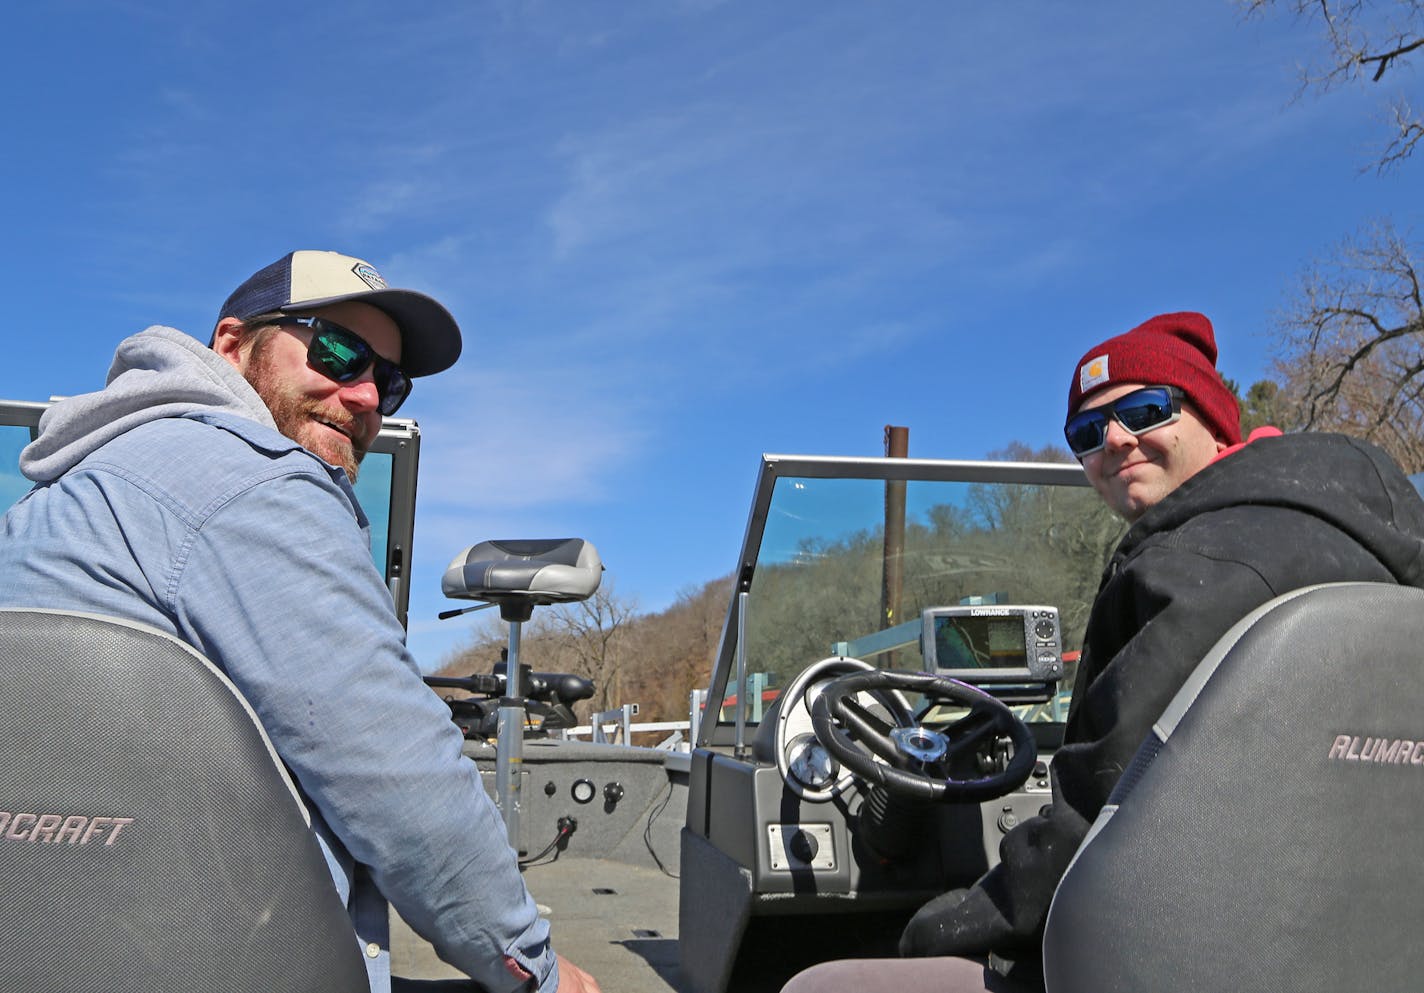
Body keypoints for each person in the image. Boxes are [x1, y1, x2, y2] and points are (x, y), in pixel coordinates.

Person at [0, 250, 599, 993]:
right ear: (231, 344)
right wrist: (539, 970)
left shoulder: (54, 503)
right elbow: (405, 785)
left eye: (390, 379)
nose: (366, 396)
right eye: (339, 351)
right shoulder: (257, 481)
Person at [784, 311, 1424, 993]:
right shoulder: (1385, 555)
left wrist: (936, 928)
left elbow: (1092, 826)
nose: (1115, 440)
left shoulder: (1189, 573)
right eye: (1087, 433)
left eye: (1146, 410)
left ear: (1214, 418)